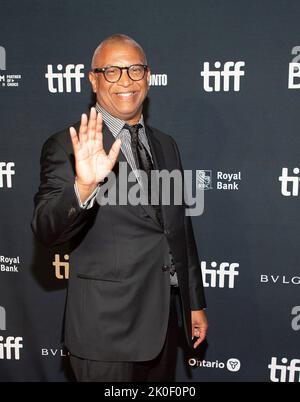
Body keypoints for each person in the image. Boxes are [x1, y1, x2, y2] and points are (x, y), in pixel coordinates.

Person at [32, 34, 208, 382]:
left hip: (163, 326)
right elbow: (47, 228)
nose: (125, 80)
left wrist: (193, 302)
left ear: (148, 76)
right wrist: (85, 186)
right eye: (111, 71)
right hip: (105, 332)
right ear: (93, 80)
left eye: (134, 70)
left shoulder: (165, 144)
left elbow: (178, 228)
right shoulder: (68, 145)